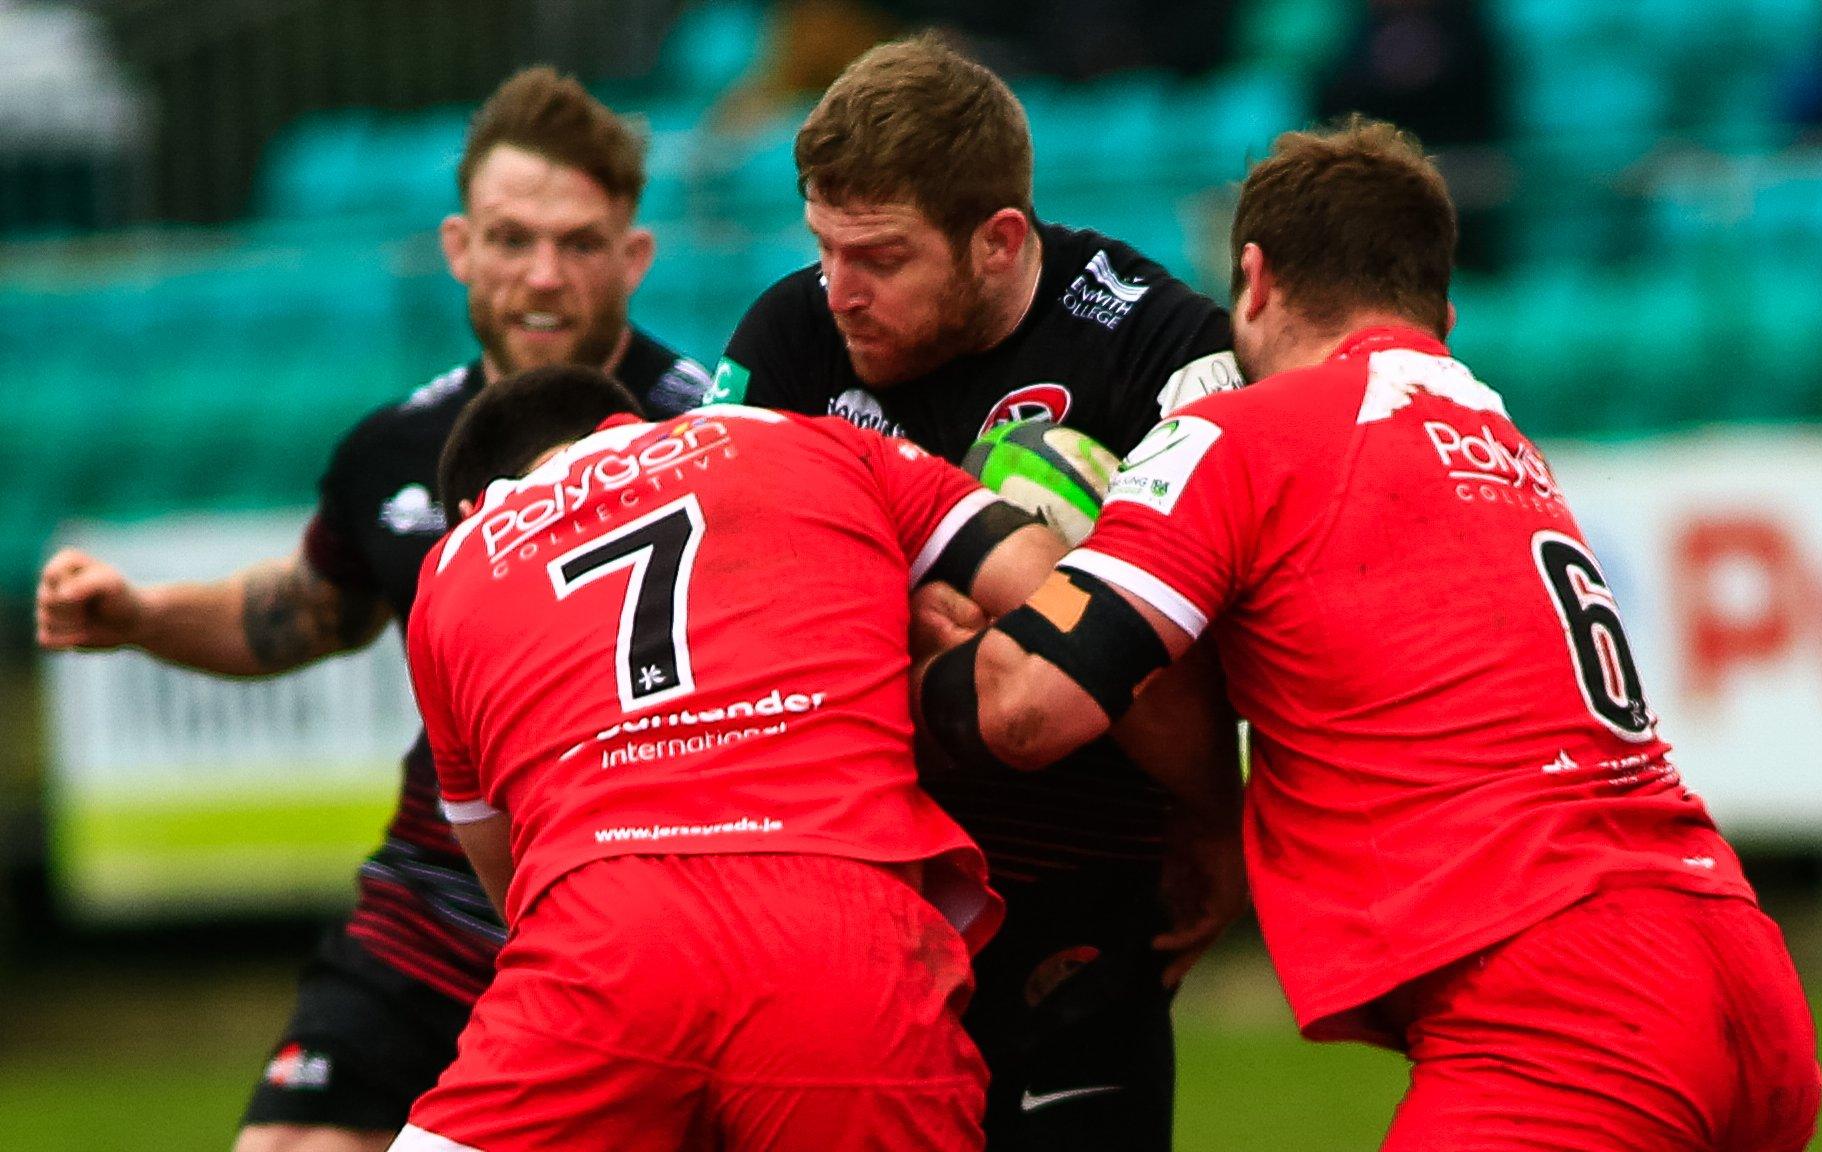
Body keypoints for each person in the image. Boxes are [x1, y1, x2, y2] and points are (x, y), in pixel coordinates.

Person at [915, 118, 1822, 1151]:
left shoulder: (1238, 431)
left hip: (1567, 1005)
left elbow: (1030, 706)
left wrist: (927, 652)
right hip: (1737, 965)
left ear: (1250, 282)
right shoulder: (1494, 432)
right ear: (1440, 308)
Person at [34, 68, 712, 1152]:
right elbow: (308, 615)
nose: (543, 276)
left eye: (579, 242)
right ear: (458, 248)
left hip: (640, 925)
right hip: (433, 912)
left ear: (633, 255)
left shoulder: (714, 440)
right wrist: (141, 614)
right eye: (510, 238)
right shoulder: (390, 449)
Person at [393, 365, 1226, 1152]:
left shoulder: (456, 564)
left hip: (607, 932)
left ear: (475, 501)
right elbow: (1065, 607)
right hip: (840, 919)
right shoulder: (807, 439)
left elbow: (513, 884)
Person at [708, 34, 1245, 1150]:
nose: (838, 293)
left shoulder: (1165, 347)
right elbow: (721, 612)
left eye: (880, 260)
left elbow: (1218, 635)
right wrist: (919, 612)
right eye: (822, 249)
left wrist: (1214, 820)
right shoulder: (787, 336)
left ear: (999, 241)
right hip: (855, 880)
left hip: (1081, 875)